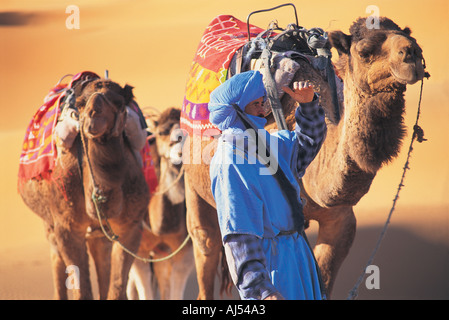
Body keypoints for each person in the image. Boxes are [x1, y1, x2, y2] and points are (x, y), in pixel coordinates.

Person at [208, 70, 327, 300]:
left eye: (263, 103)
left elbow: (305, 148)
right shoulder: (230, 160)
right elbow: (239, 235)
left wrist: (309, 105)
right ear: (237, 110)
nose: (263, 111)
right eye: (255, 105)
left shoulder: (266, 144)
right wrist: (261, 290)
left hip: (297, 256)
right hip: (273, 266)